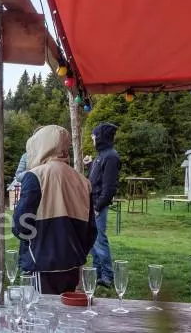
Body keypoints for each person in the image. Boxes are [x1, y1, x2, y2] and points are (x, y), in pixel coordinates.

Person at [13, 125, 95, 294]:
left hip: (41, 265)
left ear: (40, 144)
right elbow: (91, 230)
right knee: (65, 309)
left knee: (39, 309)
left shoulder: (35, 176)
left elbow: (20, 225)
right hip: (73, 265)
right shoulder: (83, 181)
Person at [88, 122, 121, 288]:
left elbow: (109, 187)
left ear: (100, 137)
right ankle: (97, 272)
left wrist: (97, 206)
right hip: (92, 204)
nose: (92, 139)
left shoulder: (111, 157)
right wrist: (90, 165)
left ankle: (107, 275)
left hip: (97, 206)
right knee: (93, 240)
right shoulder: (102, 155)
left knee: (99, 240)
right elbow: (96, 179)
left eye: (94, 136)